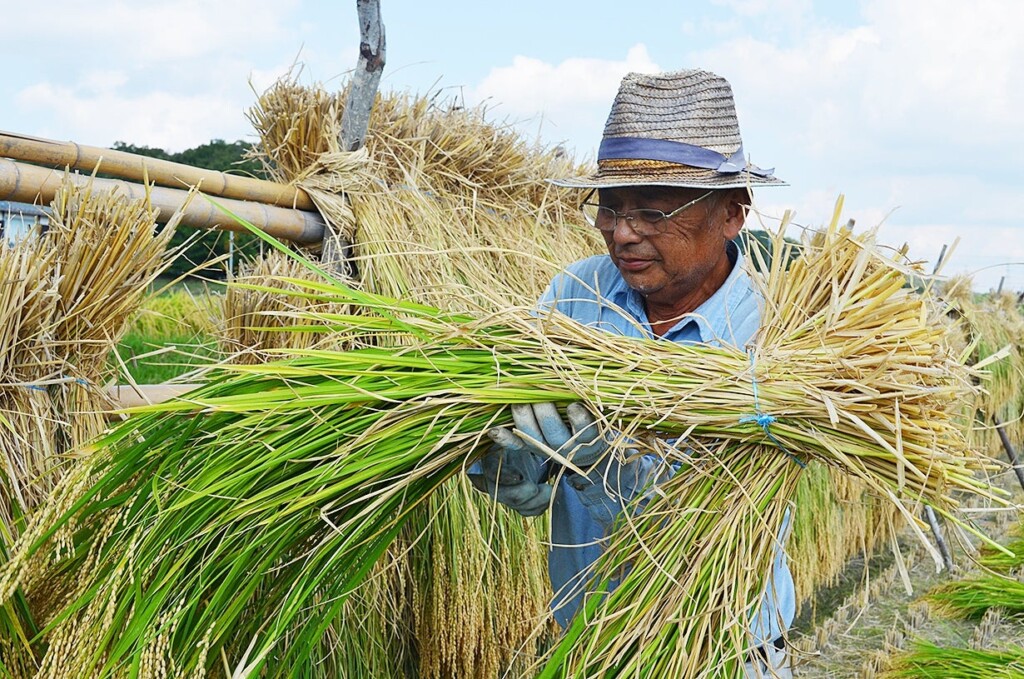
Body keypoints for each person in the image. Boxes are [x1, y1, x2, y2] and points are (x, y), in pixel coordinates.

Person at [467, 69, 795, 678]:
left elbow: (718, 522)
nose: (621, 233)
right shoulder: (575, 295)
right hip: (589, 645)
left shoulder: (778, 336)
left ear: (732, 213)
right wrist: (512, 465)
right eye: (610, 209)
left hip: (722, 643)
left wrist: (606, 467)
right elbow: (528, 471)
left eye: (650, 211)